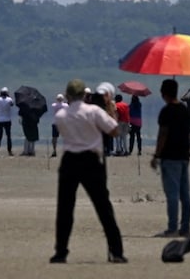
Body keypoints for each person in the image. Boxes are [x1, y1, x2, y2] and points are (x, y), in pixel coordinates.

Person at [50, 78, 125, 264]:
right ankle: (116, 251)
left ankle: (61, 251)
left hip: (70, 160)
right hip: (91, 160)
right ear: (85, 95)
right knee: (103, 206)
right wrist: (110, 113)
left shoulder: (61, 115)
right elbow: (115, 131)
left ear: (67, 96)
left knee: (65, 208)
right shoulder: (93, 111)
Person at [151, 78, 190, 239]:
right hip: (183, 155)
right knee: (185, 194)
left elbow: (163, 134)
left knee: (173, 194)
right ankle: (186, 227)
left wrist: (156, 155)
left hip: (170, 156)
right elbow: (188, 133)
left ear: (164, 93)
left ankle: (172, 228)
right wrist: (189, 149)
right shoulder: (184, 109)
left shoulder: (166, 111)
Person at [0, 87, 14, 156]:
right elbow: (12, 104)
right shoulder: (9, 99)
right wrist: (9, 96)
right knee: (8, 136)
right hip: (7, 120)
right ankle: (9, 151)